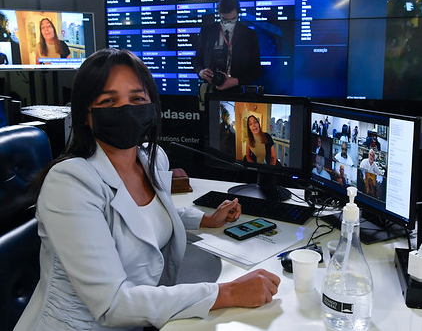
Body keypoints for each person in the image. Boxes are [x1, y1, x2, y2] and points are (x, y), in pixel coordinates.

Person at [15, 48, 280, 331]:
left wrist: (205, 219)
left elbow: (144, 216)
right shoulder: (69, 183)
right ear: (86, 115)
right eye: (109, 101)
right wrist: (226, 292)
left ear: (152, 106)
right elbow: (112, 304)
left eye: (137, 99)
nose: (126, 110)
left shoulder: (150, 158)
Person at [193, 0, 261, 98]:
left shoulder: (249, 35)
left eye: (233, 20)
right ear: (219, 14)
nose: (228, 24)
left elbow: (256, 70)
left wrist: (236, 81)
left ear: (238, 14)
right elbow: (196, 60)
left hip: (238, 91)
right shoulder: (207, 32)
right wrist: (201, 72)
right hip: (211, 89)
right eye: (224, 20)